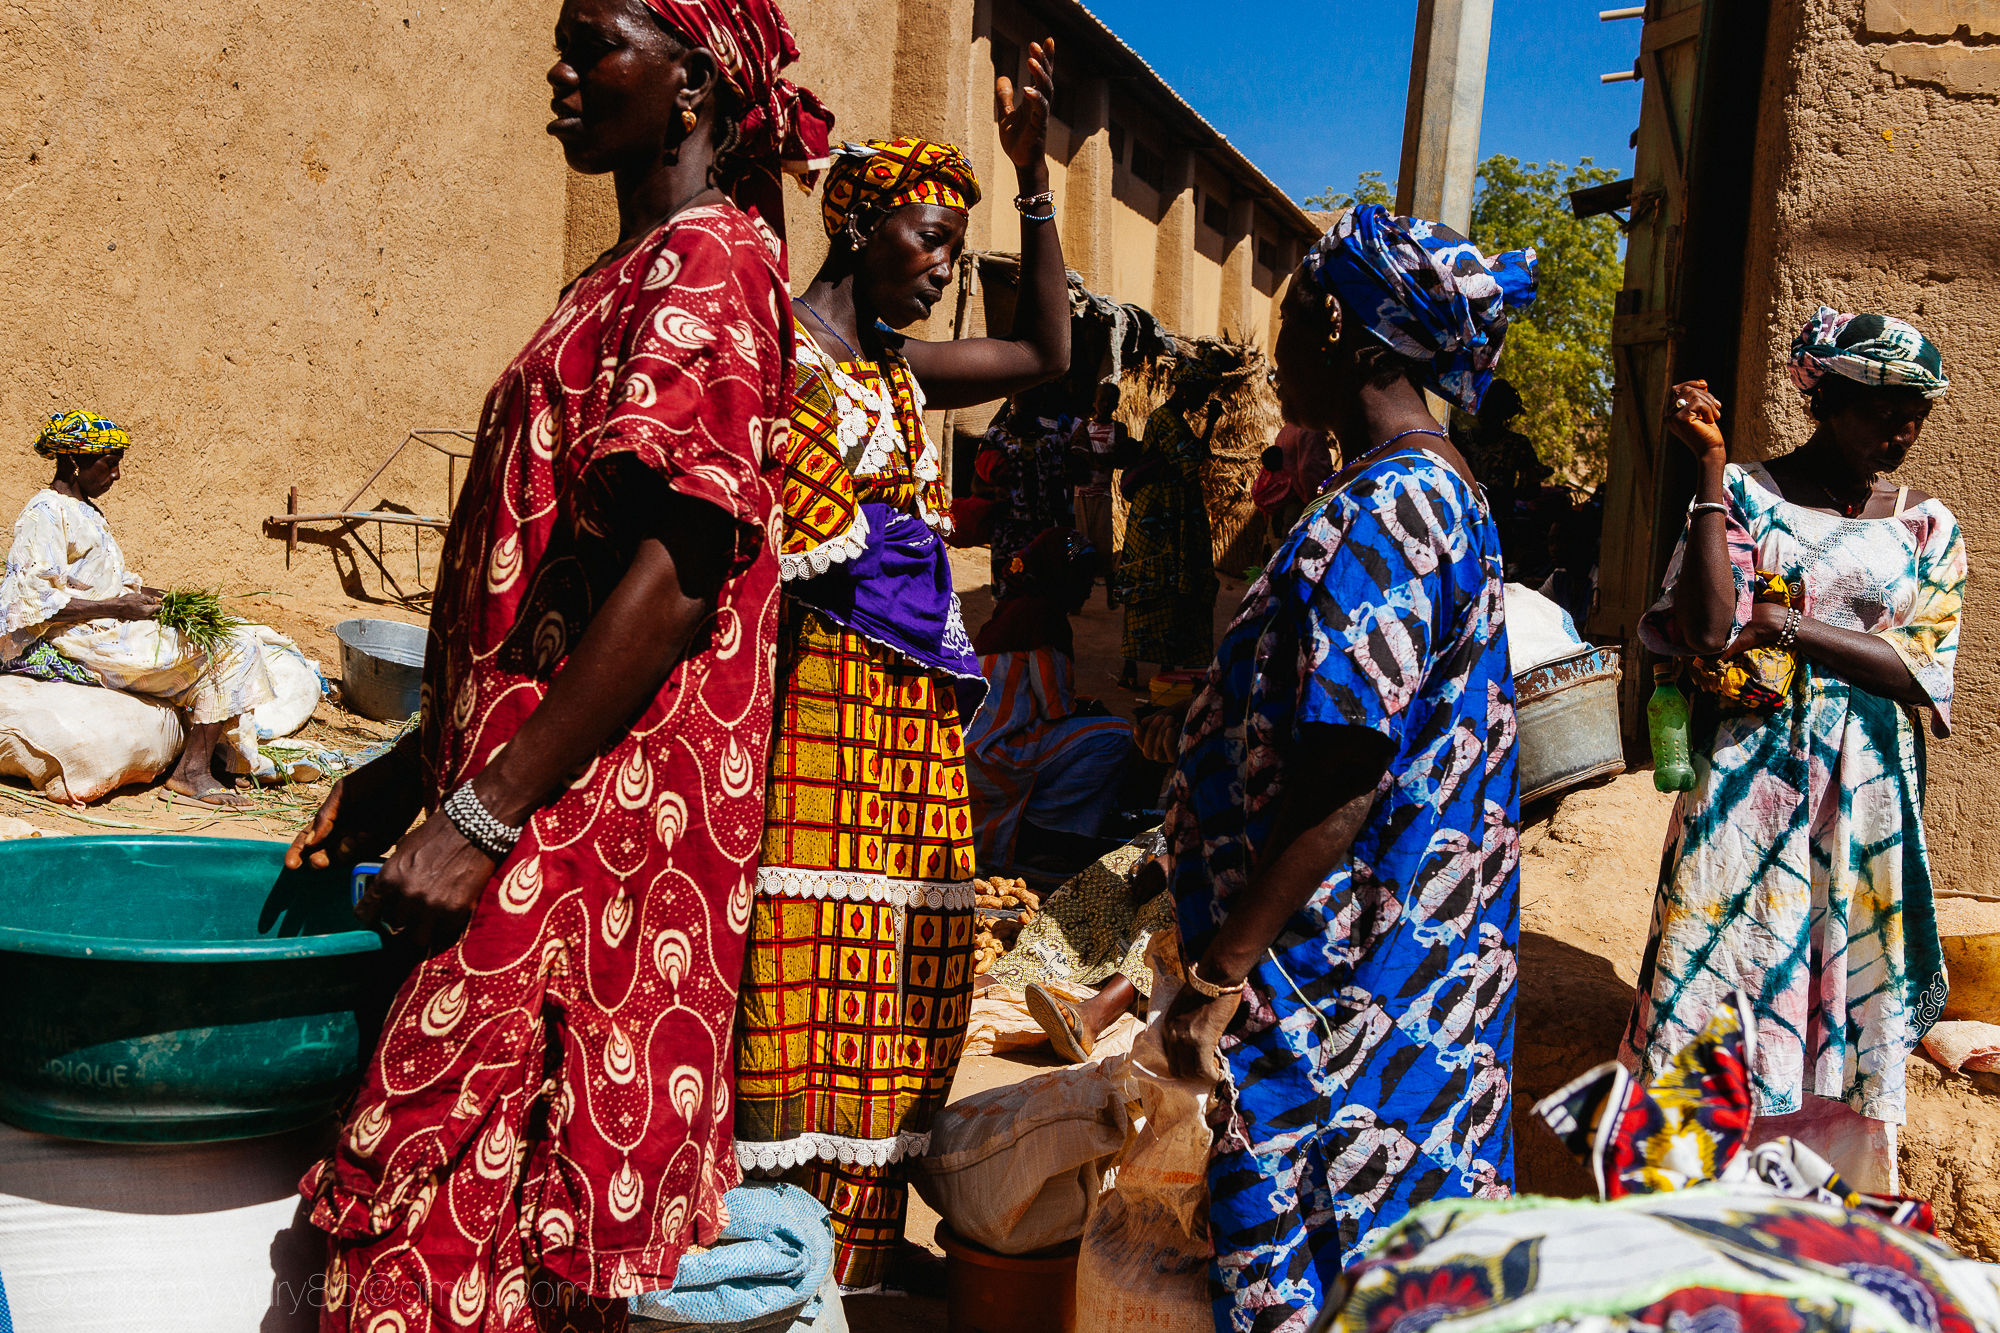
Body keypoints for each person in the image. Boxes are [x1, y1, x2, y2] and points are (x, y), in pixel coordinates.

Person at [286, 1, 828, 1326]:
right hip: (535, 799)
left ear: (692, 84)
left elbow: (677, 575)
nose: (561, 67)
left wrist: (481, 813)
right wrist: (405, 768)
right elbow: (555, 593)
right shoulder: (626, 270)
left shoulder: (712, 263)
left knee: (442, 1210)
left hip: (585, 832)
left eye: (596, 43)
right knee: (485, 1226)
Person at [1158, 204, 1536, 1331]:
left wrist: (1221, 974)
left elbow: (1345, 769)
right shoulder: (1427, 486)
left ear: (1341, 328)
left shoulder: (1391, 506)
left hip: (1343, 978)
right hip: (1391, 961)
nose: (1276, 339)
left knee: (1314, 1251)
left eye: (1292, 311)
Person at [733, 43, 1071, 1293]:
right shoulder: (783, 349)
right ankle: (776, 1241)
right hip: (820, 695)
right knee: (807, 950)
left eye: (952, 248)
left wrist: (1032, 180)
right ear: (857, 224)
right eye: (928, 239)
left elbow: (1045, 352)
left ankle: (863, 1248)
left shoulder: (896, 367)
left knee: (902, 958)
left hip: (915, 711)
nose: (940, 267)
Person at [1621, 306, 1966, 1195]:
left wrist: (1787, 626)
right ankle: (1690, 1210)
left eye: (1916, 415)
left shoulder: (1928, 528)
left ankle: (1815, 1215)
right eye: (1885, 411)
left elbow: (1918, 670)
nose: (1904, 432)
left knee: (1842, 999)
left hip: (1865, 794)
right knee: (1725, 977)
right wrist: (1707, 468)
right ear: (1829, 401)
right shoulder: (1742, 494)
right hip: (1747, 787)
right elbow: (1705, 628)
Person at [0, 411, 283, 807]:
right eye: (109, 464)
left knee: (234, 635)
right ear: (74, 460)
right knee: (232, 650)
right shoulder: (44, 513)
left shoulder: (86, 511)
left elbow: (104, 582)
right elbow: (29, 600)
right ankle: (191, 774)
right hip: (81, 636)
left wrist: (161, 598)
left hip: (109, 624)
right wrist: (119, 607)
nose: (116, 475)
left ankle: (206, 759)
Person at [965, 526, 1134, 875]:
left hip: (967, 748)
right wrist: (1090, 709)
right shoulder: (1043, 619)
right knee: (1116, 737)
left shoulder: (1011, 611)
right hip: (996, 752)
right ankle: (1045, 834)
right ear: (1061, 575)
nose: (1088, 588)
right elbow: (1056, 708)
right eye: (1083, 578)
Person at [1115, 369, 1224, 688]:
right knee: (1149, 582)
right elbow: (1190, 462)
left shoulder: (1175, 420)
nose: (1203, 402)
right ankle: (1131, 667)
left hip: (1173, 512)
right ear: (1186, 392)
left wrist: (1209, 426)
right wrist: (1209, 426)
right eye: (1201, 396)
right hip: (1159, 513)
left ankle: (1167, 665)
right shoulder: (1165, 419)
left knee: (1173, 584)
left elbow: (1193, 457)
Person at [977, 387, 1076, 595]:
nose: (1028, 399)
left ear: (1041, 400)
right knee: (1007, 593)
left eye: (1034, 394)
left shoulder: (1052, 439)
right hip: (1006, 530)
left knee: (1038, 593)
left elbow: (1057, 489)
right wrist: (995, 492)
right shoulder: (996, 436)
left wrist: (1065, 533)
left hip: (1040, 529)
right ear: (1013, 397)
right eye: (1023, 393)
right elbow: (976, 485)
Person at [1065, 381, 1130, 604]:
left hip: (1102, 495)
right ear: (1094, 402)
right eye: (1102, 400)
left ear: (1116, 405)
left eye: (1110, 402)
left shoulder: (1118, 429)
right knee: (1078, 547)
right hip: (1081, 496)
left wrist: (1092, 458)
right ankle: (1077, 597)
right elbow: (1077, 454)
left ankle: (1110, 594)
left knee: (1103, 546)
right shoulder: (1084, 427)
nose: (1105, 405)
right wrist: (1102, 459)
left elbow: (1120, 458)